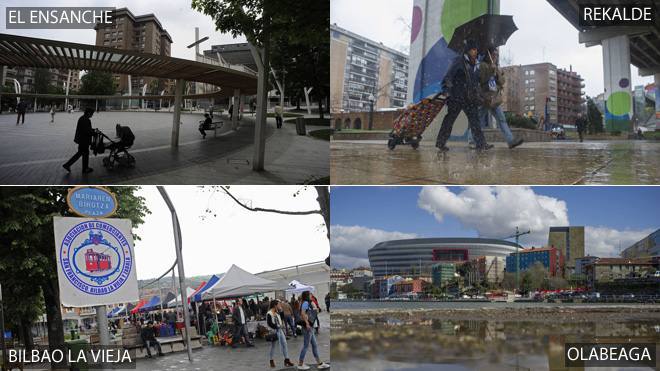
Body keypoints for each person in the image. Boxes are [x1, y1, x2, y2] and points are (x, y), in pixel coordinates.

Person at [435, 39, 492, 152]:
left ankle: (481, 144)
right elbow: (448, 76)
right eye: (473, 50)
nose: (476, 52)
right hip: (456, 97)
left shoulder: (475, 65)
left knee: (475, 121)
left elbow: (476, 82)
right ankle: (441, 143)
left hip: (469, 99)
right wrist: (447, 89)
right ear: (468, 50)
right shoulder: (459, 61)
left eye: (476, 50)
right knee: (449, 120)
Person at [477, 47, 523, 149]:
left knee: (502, 120)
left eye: (496, 55)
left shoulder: (496, 67)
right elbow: (482, 80)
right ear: (488, 55)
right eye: (493, 54)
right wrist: (490, 70)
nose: (495, 56)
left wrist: (497, 73)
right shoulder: (483, 65)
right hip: (485, 98)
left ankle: (510, 141)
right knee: (478, 120)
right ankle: (472, 141)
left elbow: (502, 81)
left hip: (494, 98)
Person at [296, 291, 330, 370]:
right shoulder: (305, 303)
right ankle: (300, 364)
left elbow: (314, 311)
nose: (311, 295)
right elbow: (303, 313)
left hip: (310, 327)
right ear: (307, 295)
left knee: (314, 345)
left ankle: (319, 363)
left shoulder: (307, 302)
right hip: (308, 327)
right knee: (306, 345)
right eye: (310, 294)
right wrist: (307, 323)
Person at [63, 107, 95, 174]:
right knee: (85, 154)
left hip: (81, 140)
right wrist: (93, 132)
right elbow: (87, 131)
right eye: (92, 113)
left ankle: (68, 165)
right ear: (89, 113)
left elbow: (86, 129)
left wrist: (93, 130)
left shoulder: (82, 118)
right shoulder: (86, 120)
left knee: (80, 154)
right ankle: (85, 169)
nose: (92, 115)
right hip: (84, 141)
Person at [267, 300, 294, 368]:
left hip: (280, 330)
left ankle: (287, 360)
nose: (280, 306)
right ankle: (271, 360)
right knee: (273, 346)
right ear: (275, 305)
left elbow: (281, 318)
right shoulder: (269, 313)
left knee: (284, 343)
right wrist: (277, 326)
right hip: (274, 331)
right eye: (278, 305)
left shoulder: (277, 312)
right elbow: (269, 323)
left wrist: (281, 311)